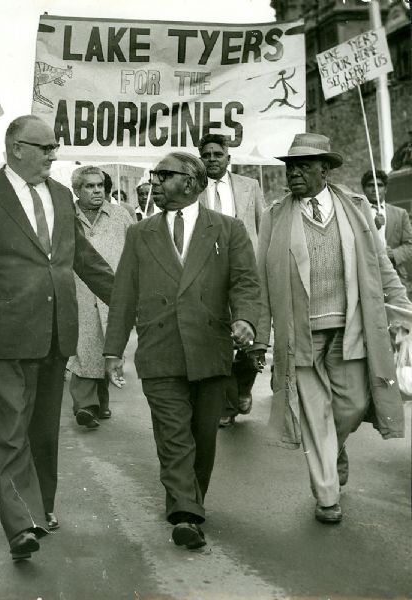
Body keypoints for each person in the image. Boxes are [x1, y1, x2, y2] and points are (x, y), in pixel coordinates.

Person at [0, 115, 114, 560]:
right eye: (45, 147)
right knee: (11, 430)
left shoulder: (59, 195)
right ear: (16, 147)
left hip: (56, 334)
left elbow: (84, 261)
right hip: (4, 333)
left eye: (54, 148)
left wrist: (132, 300)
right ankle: (21, 524)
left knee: (43, 431)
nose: (53, 155)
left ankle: (42, 508)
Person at [104, 152, 261, 549]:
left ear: (191, 183)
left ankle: (191, 499)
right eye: (154, 176)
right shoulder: (140, 234)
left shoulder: (228, 229)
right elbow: (123, 294)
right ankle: (186, 512)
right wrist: (112, 351)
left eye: (164, 175)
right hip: (160, 350)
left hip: (210, 350)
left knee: (202, 438)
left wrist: (245, 320)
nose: (154, 182)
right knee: (174, 436)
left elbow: (245, 283)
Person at [251, 133, 411, 524]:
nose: (294, 175)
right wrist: (258, 335)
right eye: (290, 168)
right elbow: (260, 280)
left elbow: (380, 266)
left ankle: (334, 448)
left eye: (304, 167)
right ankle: (326, 497)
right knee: (312, 412)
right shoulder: (275, 215)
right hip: (300, 333)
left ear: (325, 169)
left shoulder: (354, 208)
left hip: (350, 329)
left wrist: (404, 312)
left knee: (352, 405)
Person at [198, 133, 265, 427]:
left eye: (217, 154)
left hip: (243, 269)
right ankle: (227, 403)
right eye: (206, 155)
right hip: (206, 273)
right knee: (219, 338)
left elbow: (263, 228)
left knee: (251, 334)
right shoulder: (193, 188)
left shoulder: (250, 186)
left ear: (228, 157)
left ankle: (243, 389)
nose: (212, 159)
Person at [67, 167, 134, 428]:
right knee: (84, 347)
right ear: (76, 190)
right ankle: (85, 405)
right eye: (89, 186)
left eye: (99, 186)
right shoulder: (66, 216)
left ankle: (100, 402)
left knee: (107, 345)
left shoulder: (120, 216)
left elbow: (136, 249)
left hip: (113, 292)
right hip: (78, 292)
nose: (97, 191)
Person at [361, 168, 412, 299]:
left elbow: (409, 245)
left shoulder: (400, 214)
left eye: (380, 185)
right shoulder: (357, 213)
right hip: (367, 275)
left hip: (395, 274)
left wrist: (393, 254)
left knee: (399, 314)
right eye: (370, 185)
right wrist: (373, 225)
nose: (375, 189)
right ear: (364, 189)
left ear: (386, 189)